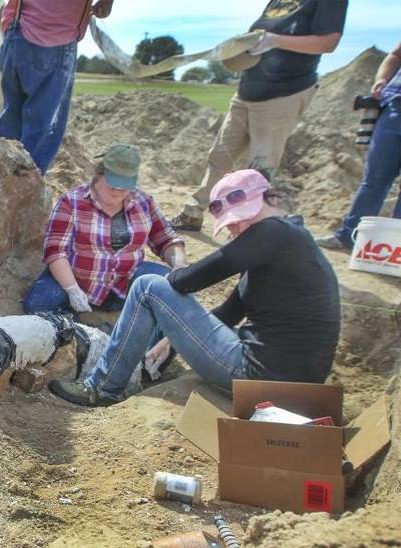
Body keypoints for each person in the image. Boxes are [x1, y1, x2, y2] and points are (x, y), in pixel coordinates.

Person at [49, 169, 341, 407]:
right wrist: (172, 340)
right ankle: (123, 374)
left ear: (267, 199)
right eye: (232, 223)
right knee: (156, 290)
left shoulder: (271, 231)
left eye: (243, 218)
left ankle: (102, 388)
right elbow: (230, 311)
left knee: (148, 287)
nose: (237, 229)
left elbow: (188, 279)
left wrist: (173, 285)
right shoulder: (291, 239)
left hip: (259, 378)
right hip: (289, 381)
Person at [171, 0, 347, 231]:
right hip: (247, 91)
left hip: (284, 93)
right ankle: (192, 213)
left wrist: (275, 40)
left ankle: (252, 226)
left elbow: (328, 42)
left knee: (259, 169)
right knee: (220, 156)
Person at [23, 144, 186, 316]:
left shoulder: (143, 202)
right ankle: (79, 329)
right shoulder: (71, 202)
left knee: (174, 290)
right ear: (98, 175)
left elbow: (167, 239)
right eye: (113, 183)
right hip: (79, 279)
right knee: (38, 304)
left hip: (126, 280)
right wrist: (72, 289)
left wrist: (179, 265)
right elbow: (55, 252)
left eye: (125, 184)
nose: (118, 190)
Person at [0, 0, 115, 174]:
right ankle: (23, 187)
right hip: (56, 36)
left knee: (12, 120)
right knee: (43, 130)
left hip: (16, 31)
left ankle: (2, 179)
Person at [317, 40, 401, 250]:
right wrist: (382, 79)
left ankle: (395, 249)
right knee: (374, 180)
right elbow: (396, 55)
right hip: (395, 109)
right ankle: (348, 236)